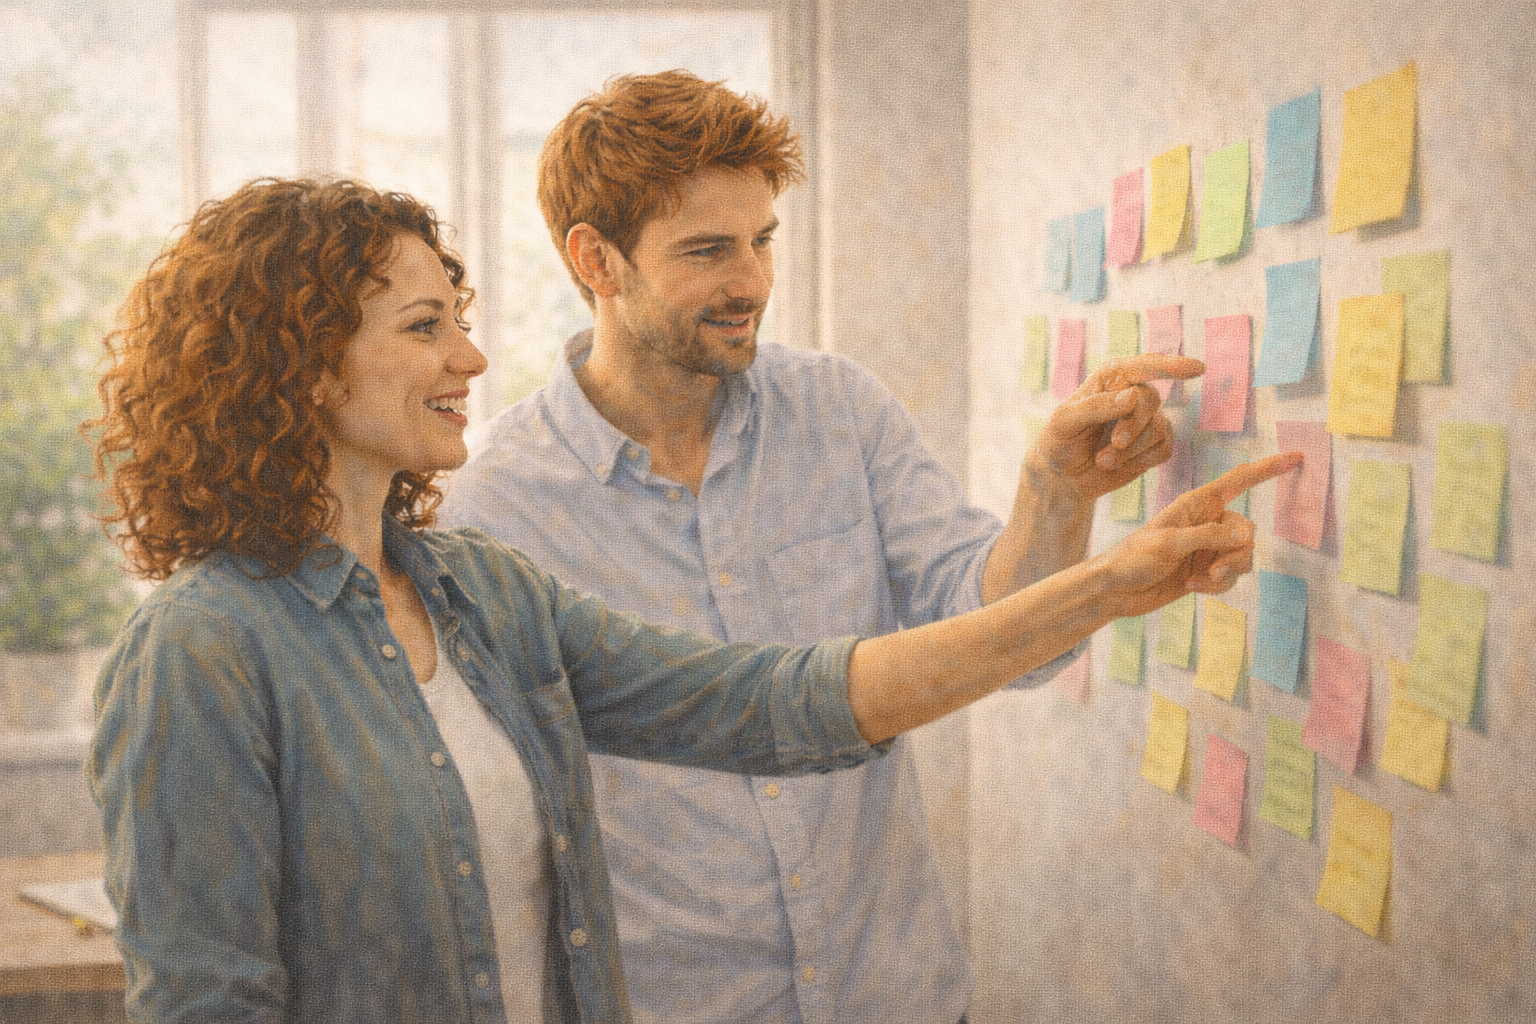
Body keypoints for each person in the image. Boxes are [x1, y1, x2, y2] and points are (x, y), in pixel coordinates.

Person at [85, 175, 1292, 1024]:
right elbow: (208, 1002)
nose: (471, 360)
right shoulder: (203, 651)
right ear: (298, 364)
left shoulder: (478, 598)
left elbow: (773, 701)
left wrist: (1106, 587)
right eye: (423, 329)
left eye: (459, 323)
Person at [437, 71, 1280, 1024]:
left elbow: (1005, 644)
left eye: (762, 241)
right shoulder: (492, 508)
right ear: (597, 259)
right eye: (708, 250)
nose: (751, 282)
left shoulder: (839, 411)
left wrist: (1055, 493)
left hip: (899, 991)